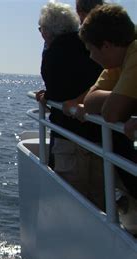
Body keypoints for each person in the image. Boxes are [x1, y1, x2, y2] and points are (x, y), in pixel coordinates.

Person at [35, 1, 104, 209]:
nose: (41, 34)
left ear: (48, 30)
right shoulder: (88, 44)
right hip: (99, 136)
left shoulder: (55, 53)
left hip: (71, 136)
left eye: (41, 29)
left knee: (73, 203)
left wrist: (49, 96)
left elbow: (57, 90)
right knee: (101, 202)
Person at [79, 4, 137, 201]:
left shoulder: (135, 51)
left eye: (90, 50)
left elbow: (111, 112)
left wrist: (124, 101)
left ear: (106, 45)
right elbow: (90, 102)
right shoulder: (119, 57)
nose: (91, 56)